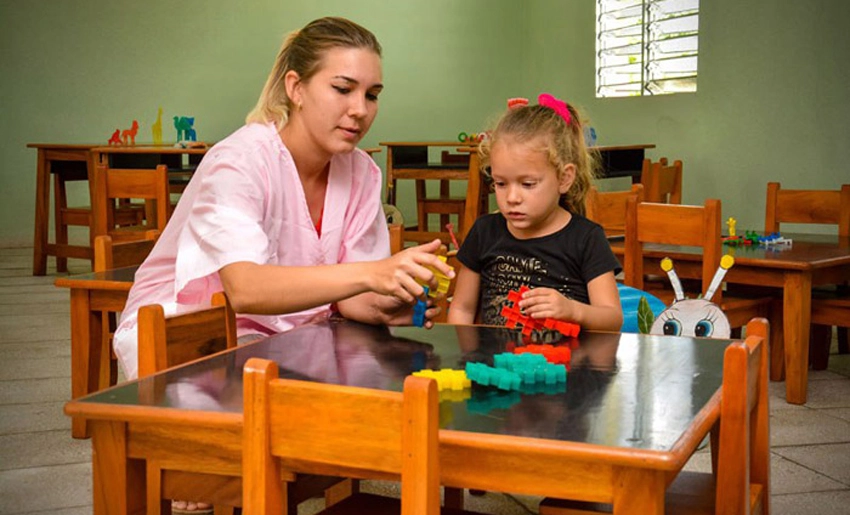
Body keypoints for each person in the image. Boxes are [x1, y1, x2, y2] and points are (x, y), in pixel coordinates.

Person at [113, 16, 453, 384]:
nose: (360, 109)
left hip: (291, 333)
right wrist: (374, 274)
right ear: (296, 88)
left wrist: (384, 305)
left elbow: (350, 299)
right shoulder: (239, 161)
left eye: (372, 95)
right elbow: (246, 290)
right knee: (310, 407)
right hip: (187, 334)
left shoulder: (362, 173)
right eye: (343, 88)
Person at [447, 94, 622, 335]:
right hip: (498, 368)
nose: (512, 197)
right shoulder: (484, 232)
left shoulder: (586, 238)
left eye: (528, 184)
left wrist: (572, 310)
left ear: (564, 178)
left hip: (567, 369)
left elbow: (612, 318)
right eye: (500, 183)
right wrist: (466, 358)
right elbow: (462, 309)